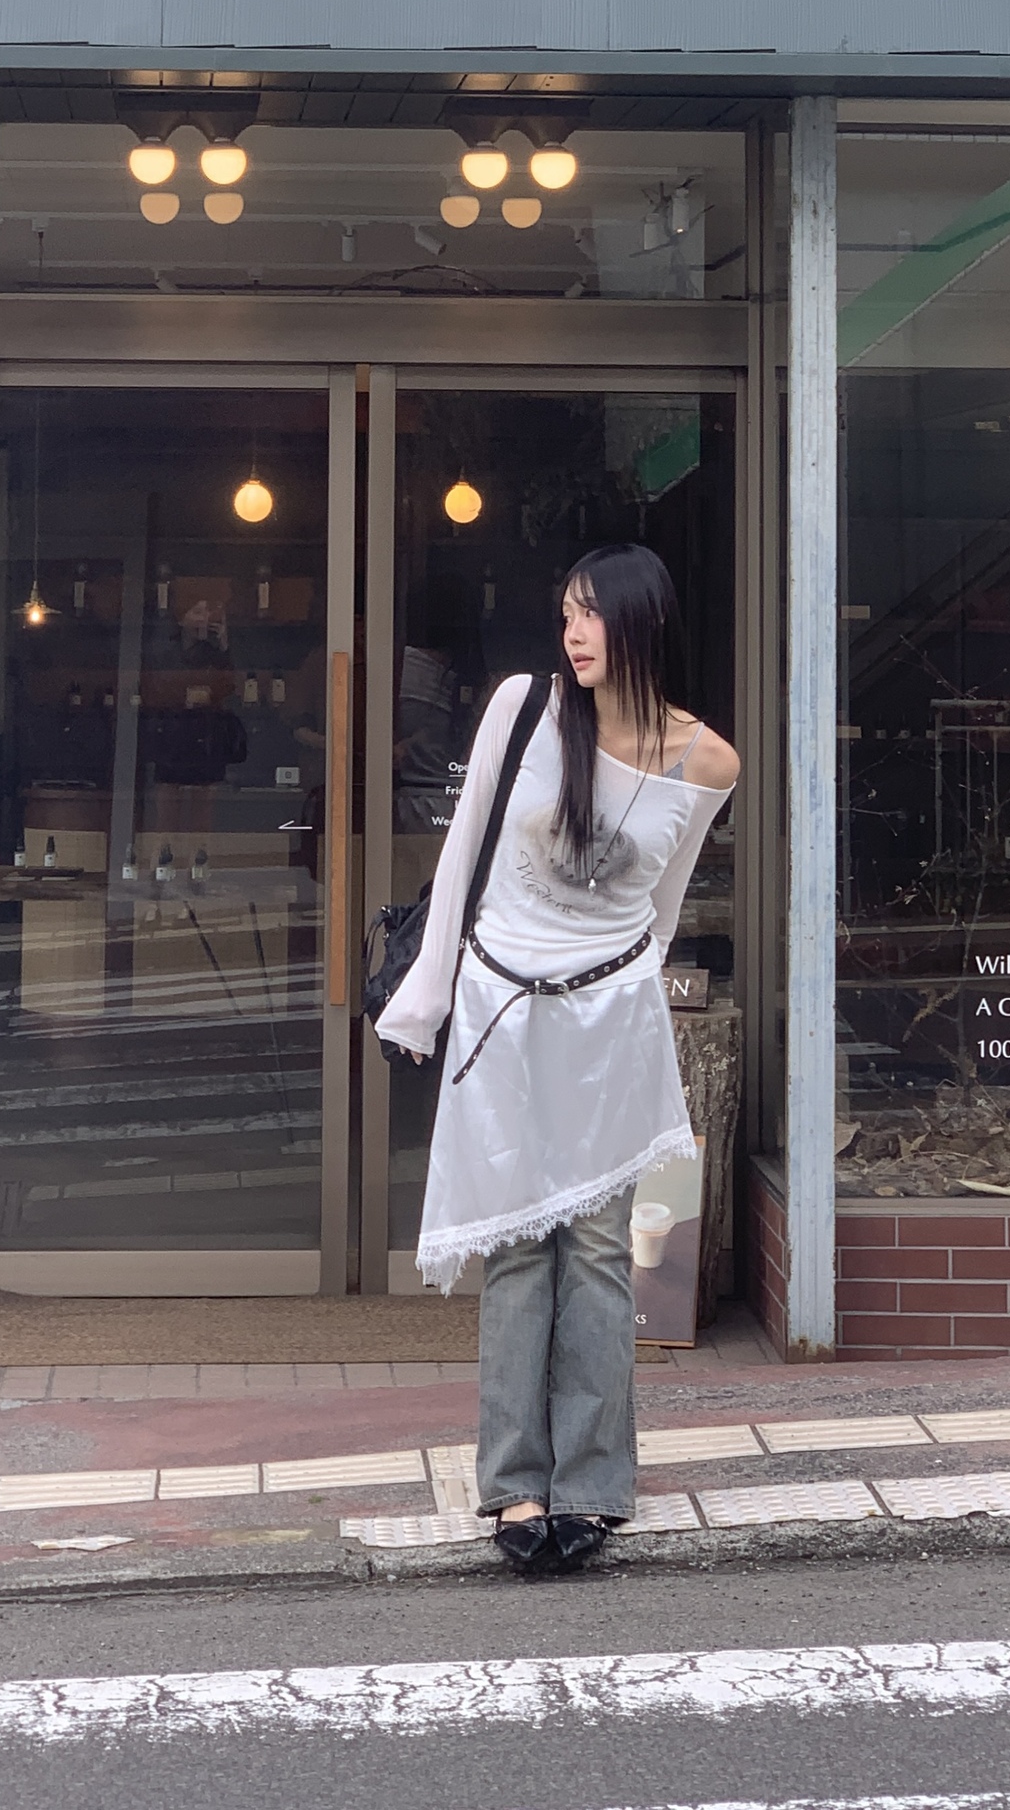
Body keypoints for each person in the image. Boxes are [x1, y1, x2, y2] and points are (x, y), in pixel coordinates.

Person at [374, 542, 738, 1578]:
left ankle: (593, 1482)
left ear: (642, 620)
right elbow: (461, 858)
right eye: (566, 613)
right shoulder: (523, 708)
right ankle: (514, 1483)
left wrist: (616, 993)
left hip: (609, 1021)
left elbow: (663, 905)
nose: (574, 633)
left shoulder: (708, 760)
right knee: (519, 1248)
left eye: (592, 614)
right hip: (503, 1011)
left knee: (599, 1251)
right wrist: (425, 998)